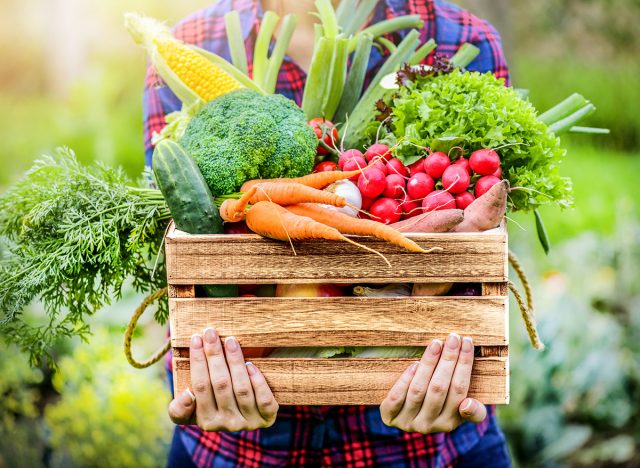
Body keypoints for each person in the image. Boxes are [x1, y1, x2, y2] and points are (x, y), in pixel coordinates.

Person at [143, 1, 511, 466]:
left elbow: (483, 254)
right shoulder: (188, 43)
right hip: (237, 452)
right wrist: (202, 369)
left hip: (429, 449)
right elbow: (179, 247)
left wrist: (460, 370)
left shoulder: (465, 39)